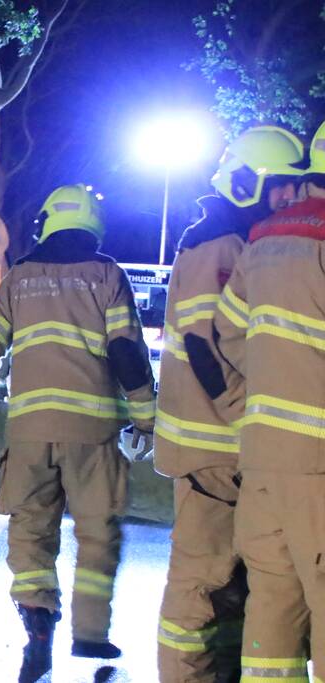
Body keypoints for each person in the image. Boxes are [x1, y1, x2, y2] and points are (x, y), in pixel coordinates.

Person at [0, 183, 156, 683]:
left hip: (30, 430)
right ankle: (90, 633)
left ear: (47, 223)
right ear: (92, 225)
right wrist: (147, 416)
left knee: (30, 529)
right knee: (96, 530)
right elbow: (128, 352)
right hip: (93, 430)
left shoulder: (19, 278)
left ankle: (38, 620)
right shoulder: (107, 274)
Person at [154, 125, 305, 683]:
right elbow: (203, 346)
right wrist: (253, 413)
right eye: (281, 188)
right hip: (212, 448)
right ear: (248, 184)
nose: (289, 198)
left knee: (239, 584)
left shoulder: (237, 241)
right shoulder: (218, 244)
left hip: (224, 448)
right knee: (201, 583)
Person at [197, 120, 325, 682]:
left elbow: (221, 335)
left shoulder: (265, 238)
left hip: (264, 458)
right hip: (319, 464)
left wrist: (272, 388)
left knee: (272, 604)